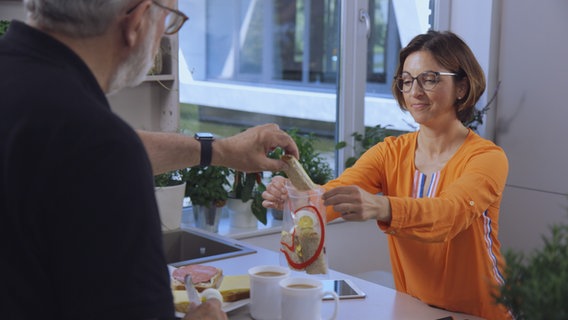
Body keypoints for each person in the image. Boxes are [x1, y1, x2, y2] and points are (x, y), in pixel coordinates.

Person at [0, 0, 298, 319]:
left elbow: (69, 149)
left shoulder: (27, 94)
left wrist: (220, 150)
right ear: (138, 21)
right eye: (169, 22)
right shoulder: (98, 144)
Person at [263, 30, 511, 319]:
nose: (414, 92)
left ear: (461, 87)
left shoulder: (487, 158)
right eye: (406, 81)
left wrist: (382, 206)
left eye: (429, 79)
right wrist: (296, 197)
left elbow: (449, 215)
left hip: (481, 313)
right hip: (416, 309)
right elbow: (333, 195)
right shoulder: (390, 153)